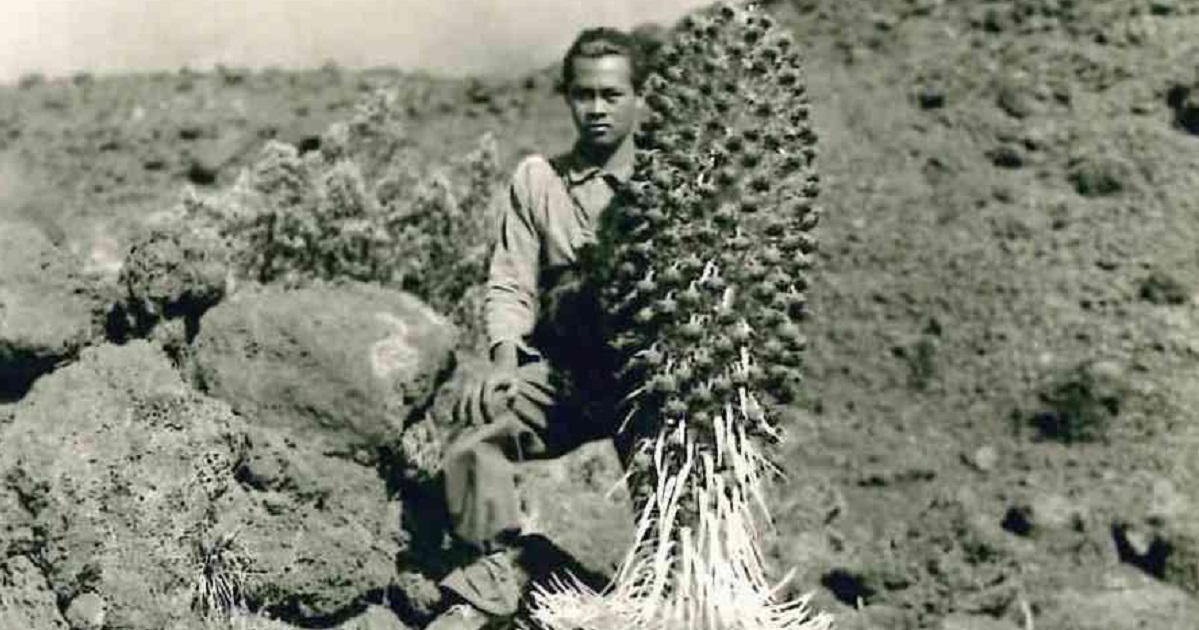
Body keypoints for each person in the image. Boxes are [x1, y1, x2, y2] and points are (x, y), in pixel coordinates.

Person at [425, 26, 650, 630]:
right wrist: (502, 361)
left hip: (650, 384)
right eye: (583, 95)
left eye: (611, 94)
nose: (596, 109)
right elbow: (511, 280)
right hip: (568, 380)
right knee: (475, 438)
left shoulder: (666, 187)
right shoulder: (538, 182)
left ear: (640, 98)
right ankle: (497, 573)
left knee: (672, 504)